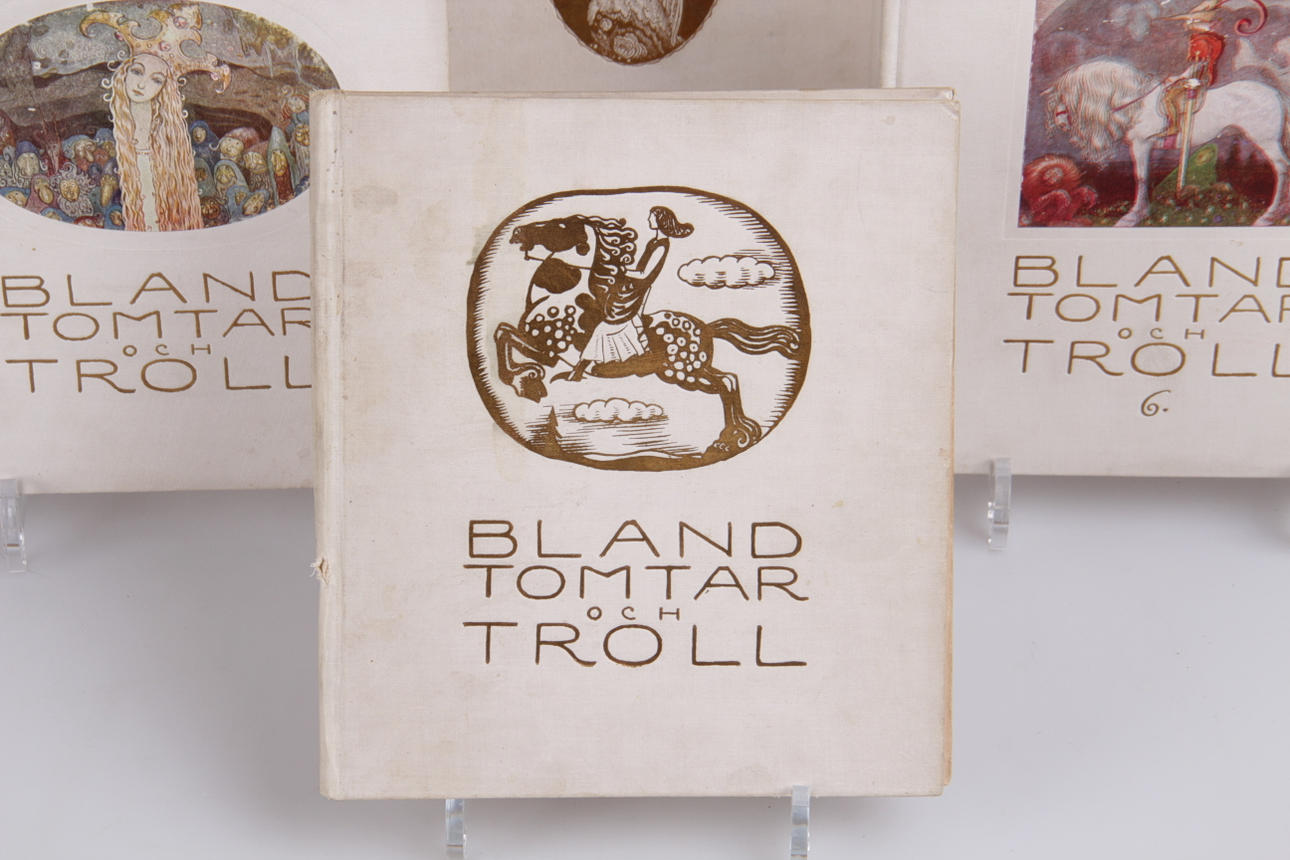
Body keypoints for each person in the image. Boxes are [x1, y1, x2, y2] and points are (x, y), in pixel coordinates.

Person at [82, 6, 231, 231]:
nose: (142, 84)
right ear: (124, 73)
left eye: (156, 79)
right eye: (137, 72)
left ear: (165, 89)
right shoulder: (121, 129)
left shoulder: (168, 138)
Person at [563, 205, 693, 381]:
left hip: (636, 290)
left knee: (607, 324)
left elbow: (644, 274)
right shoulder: (653, 242)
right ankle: (587, 366)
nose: (649, 219)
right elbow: (638, 269)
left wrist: (619, 271)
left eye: (652, 217)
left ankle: (583, 367)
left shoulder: (662, 245)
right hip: (630, 286)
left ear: (660, 221)